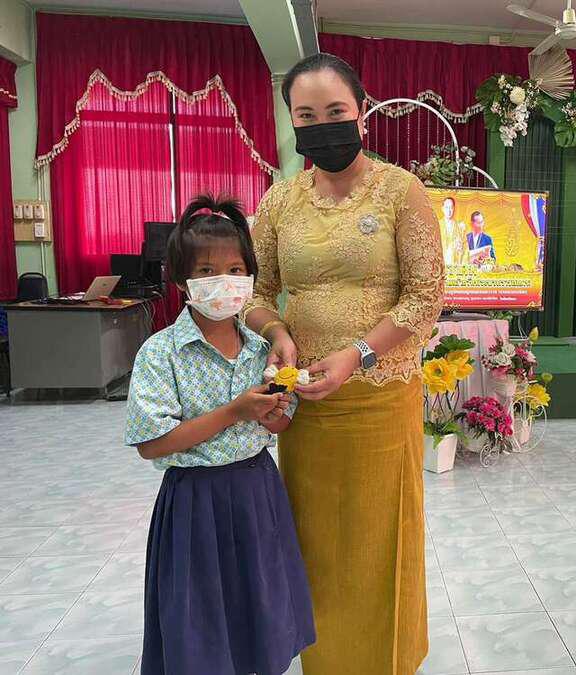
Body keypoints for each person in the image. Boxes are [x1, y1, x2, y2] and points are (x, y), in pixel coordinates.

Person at [242, 53, 444, 675]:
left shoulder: (401, 192)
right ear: (292, 123)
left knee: (380, 540)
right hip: (306, 406)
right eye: (306, 116)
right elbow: (254, 293)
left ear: (361, 113)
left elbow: (426, 295)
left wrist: (358, 354)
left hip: (380, 398)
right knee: (314, 541)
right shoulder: (279, 201)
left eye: (335, 111)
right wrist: (276, 330)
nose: (322, 125)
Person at [124, 194, 316, 675]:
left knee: (258, 599)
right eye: (207, 271)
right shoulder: (161, 352)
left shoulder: (260, 349)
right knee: (201, 609)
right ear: (182, 280)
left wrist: (272, 411)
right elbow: (152, 443)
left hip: (256, 491)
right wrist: (234, 411)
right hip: (195, 500)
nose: (223, 282)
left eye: (234, 270)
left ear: (250, 277)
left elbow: (281, 423)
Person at [440, 196, 467, 267]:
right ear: (442, 209)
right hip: (440, 265)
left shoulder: (460, 227)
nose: (449, 211)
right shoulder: (438, 225)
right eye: (446, 207)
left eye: (451, 207)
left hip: (455, 265)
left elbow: (465, 249)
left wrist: (461, 249)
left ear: (454, 208)